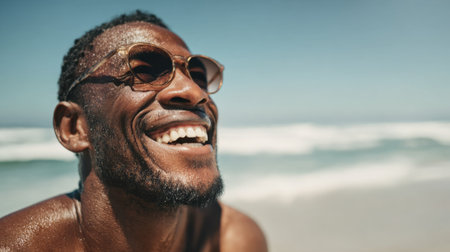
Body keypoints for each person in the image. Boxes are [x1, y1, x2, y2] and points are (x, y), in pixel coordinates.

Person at [0, 11, 267, 251]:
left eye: (198, 76)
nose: (194, 92)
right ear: (74, 128)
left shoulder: (233, 240)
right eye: (144, 72)